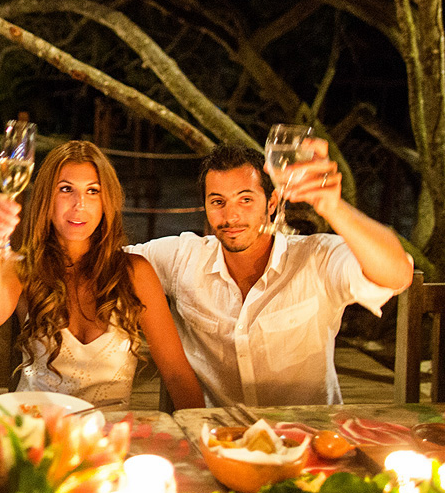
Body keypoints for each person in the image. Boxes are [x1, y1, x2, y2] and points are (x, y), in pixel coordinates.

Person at [126, 141, 414, 407]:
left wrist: (333, 207)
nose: (231, 216)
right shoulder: (183, 258)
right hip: (220, 439)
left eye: (246, 200)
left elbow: (397, 275)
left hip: (308, 437)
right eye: (218, 202)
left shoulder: (316, 258)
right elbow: (105, 262)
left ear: (272, 203)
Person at [0, 140, 205, 410]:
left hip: (108, 441)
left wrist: (198, 438)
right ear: (47, 198)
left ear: (106, 202)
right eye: (66, 189)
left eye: (92, 191)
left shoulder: (134, 273)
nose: (79, 204)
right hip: (38, 436)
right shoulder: (25, 268)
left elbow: (177, 374)